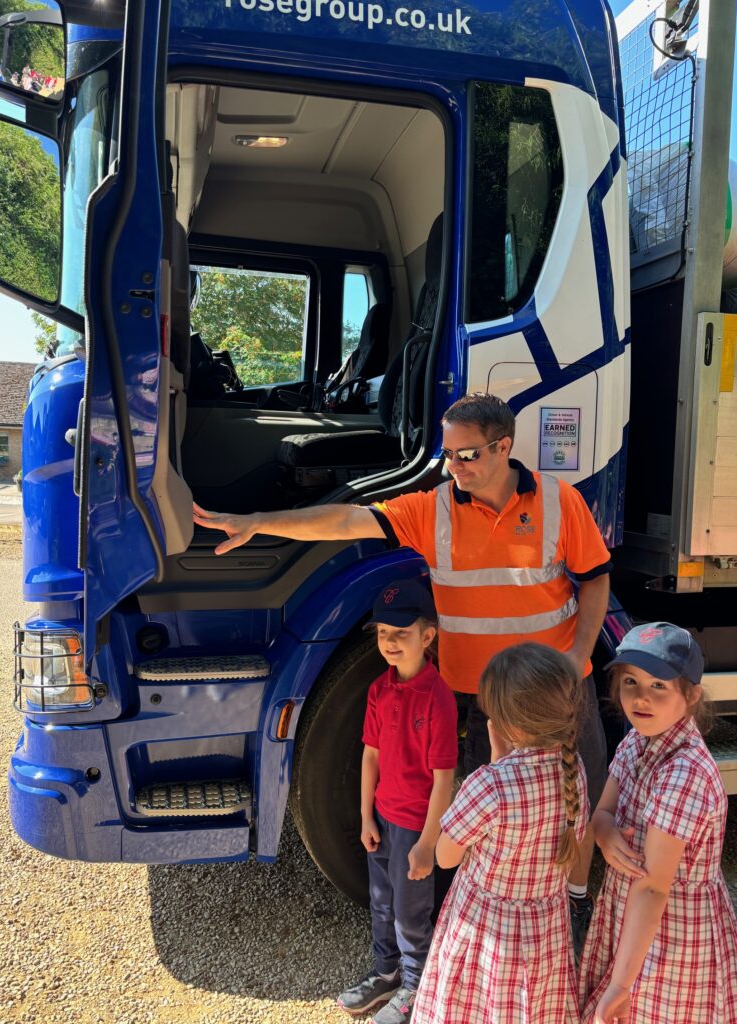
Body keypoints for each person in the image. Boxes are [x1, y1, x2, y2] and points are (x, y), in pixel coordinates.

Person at [193, 392, 612, 948]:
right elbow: (346, 520)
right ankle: (498, 919)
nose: (453, 467)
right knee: (488, 814)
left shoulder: (560, 503)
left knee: (576, 803)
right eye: (447, 456)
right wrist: (260, 523)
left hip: (556, 690)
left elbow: (596, 580)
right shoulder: (433, 509)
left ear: (503, 447)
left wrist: (576, 658)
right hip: (480, 697)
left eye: (466, 455)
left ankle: (575, 905)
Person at [412, 643, 588, 1024]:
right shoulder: (574, 772)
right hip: (545, 927)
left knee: (479, 1007)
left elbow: (446, 856)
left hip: (489, 927)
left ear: (510, 725)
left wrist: (496, 766)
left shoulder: (489, 785)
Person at [579, 622, 737, 1024]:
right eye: (631, 681)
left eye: (659, 686)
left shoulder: (684, 773)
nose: (641, 698)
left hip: (671, 929)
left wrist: (619, 985)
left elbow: (653, 886)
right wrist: (604, 832)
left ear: (692, 695)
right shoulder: (637, 739)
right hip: (633, 915)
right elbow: (603, 812)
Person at [337, 580, 457, 1024]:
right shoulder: (378, 689)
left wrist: (428, 842)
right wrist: (366, 815)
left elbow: (444, 779)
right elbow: (370, 755)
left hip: (414, 827)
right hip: (383, 820)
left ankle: (415, 986)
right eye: (383, 632)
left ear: (428, 636)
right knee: (381, 901)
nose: (389, 642)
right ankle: (386, 973)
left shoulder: (439, 698)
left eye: (401, 632)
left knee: (410, 912)